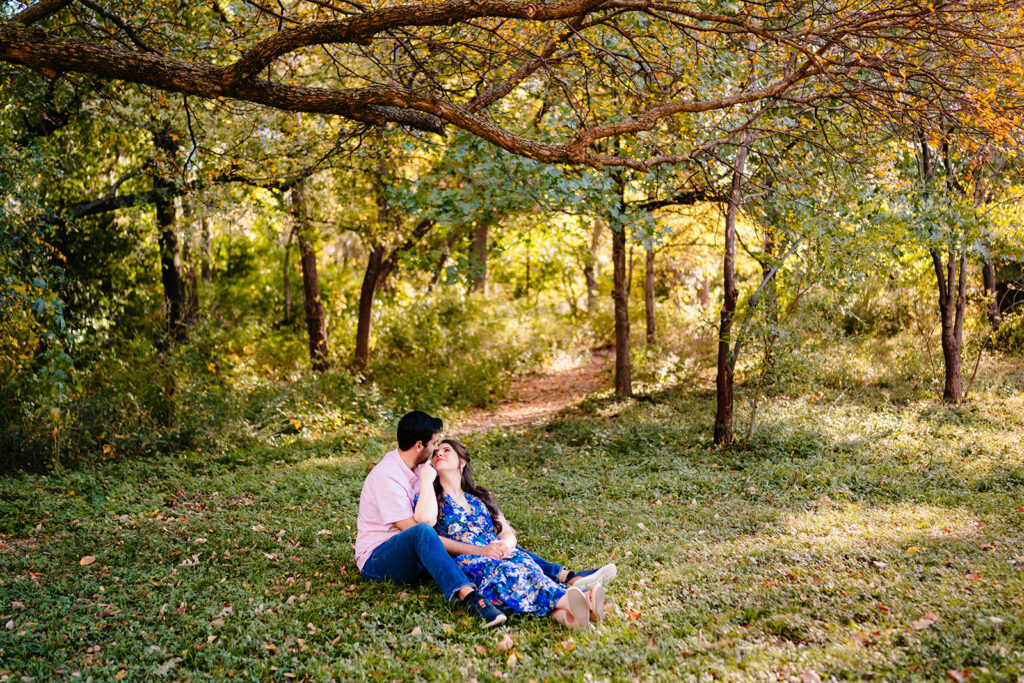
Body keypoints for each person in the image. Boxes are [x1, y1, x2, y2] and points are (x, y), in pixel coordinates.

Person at [420, 438, 611, 630]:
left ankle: (570, 619)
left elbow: (506, 532)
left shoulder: (479, 498)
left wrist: (507, 545)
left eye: (447, 450)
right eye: (436, 453)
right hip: (472, 561)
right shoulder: (432, 497)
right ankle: (580, 600)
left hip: (502, 553)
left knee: (530, 570)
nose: (439, 454)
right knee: (508, 573)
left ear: (462, 462)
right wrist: (426, 480)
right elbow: (428, 535)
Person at [356, 411, 507, 628]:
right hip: (378, 560)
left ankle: (558, 574)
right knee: (423, 531)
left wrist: (497, 537)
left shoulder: (421, 469)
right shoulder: (386, 477)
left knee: (463, 531)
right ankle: (471, 598)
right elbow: (418, 533)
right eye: (434, 443)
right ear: (419, 446)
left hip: (414, 552)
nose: (437, 449)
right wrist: (479, 551)